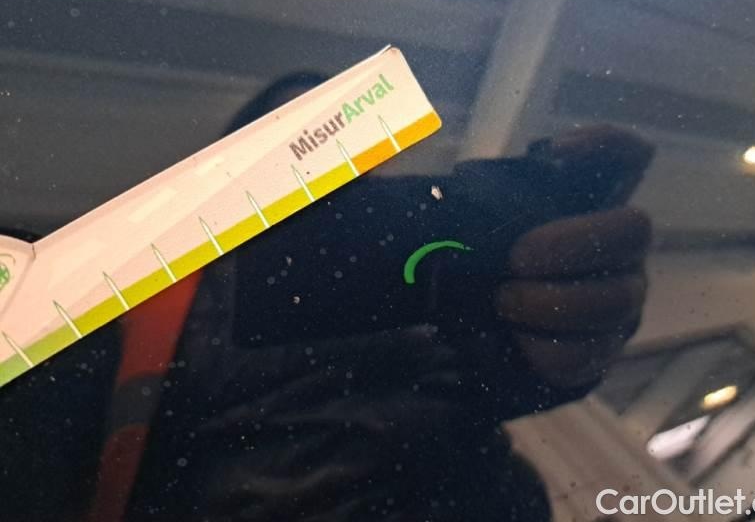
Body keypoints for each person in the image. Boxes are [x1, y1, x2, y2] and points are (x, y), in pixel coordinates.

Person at [0, 74, 653, 522]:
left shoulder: (425, 299)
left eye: (348, 153)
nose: (323, 176)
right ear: (223, 172)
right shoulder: (117, 292)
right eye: (291, 144)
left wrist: (530, 350)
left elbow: (482, 407)